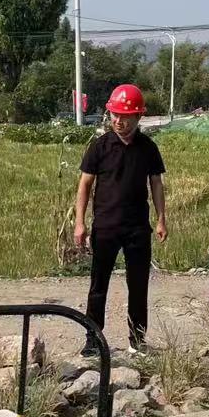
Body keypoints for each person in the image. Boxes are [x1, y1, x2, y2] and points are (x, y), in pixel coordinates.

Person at [75, 83, 167, 355]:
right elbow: (85, 185)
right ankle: (93, 340)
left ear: (138, 116)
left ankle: (137, 340)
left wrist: (161, 219)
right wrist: (80, 222)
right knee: (98, 285)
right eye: (115, 115)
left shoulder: (148, 148)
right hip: (105, 226)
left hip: (137, 228)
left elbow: (156, 184)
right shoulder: (100, 147)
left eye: (125, 116)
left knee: (138, 285)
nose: (119, 121)